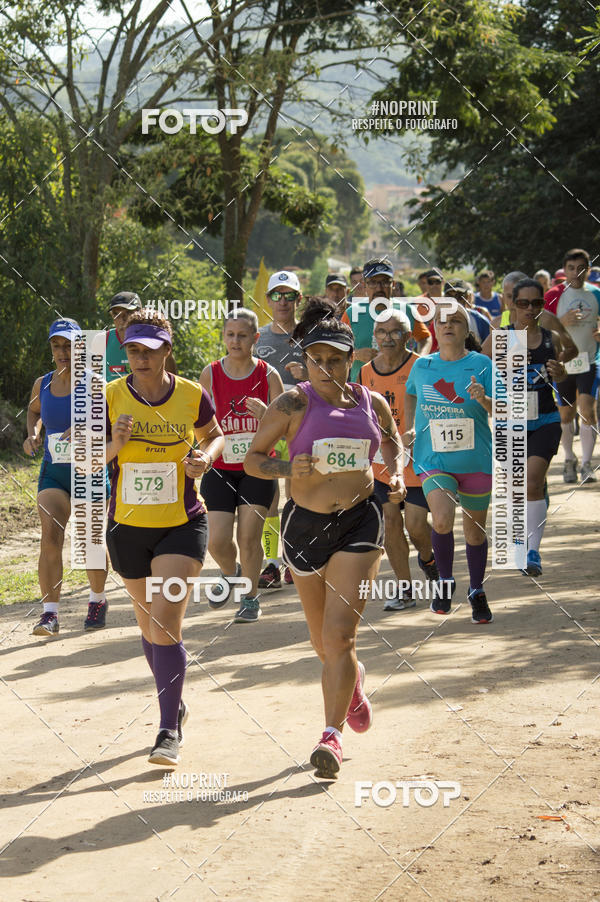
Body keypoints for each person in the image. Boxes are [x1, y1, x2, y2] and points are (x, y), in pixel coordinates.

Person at [245, 298, 406, 779]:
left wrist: (394, 473)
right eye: (317, 359)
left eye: (335, 359)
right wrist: (284, 466)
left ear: (350, 360)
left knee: (340, 635)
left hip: (360, 521)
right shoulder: (292, 402)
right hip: (304, 526)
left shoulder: (370, 402)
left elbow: (393, 442)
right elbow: (254, 459)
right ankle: (352, 679)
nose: (325, 367)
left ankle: (329, 736)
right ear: (305, 360)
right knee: (323, 644)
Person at [105, 309, 224, 766]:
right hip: (128, 529)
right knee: (147, 626)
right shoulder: (110, 396)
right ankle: (173, 700)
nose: (139, 358)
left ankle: (167, 730)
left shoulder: (192, 394)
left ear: (166, 352)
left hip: (182, 523)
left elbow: (215, 437)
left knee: (164, 621)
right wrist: (114, 443)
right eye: (133, 350)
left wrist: (205, 458)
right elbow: (83, 458)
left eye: (149, 350)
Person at [404, 303, 494, 624]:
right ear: (435, 329)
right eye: (442, 321)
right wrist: (411, 426)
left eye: (456, 321)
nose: (448, 326)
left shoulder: (482, 364)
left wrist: (483, 399)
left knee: (474, 532)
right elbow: (411, 393)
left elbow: (501, 409)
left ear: (466, 330)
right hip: (434, 458)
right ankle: (444, 581)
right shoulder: (423, 365)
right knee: (441, 520)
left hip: (475, 459)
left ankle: (476, 590)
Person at [24, 319, 109, 637]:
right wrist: (33, 433)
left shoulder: (96, 383)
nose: (63, 351)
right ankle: (49, 614)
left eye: (69, 345)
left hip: (91, 468)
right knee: (50, 535)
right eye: (57, 345)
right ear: (51, 349)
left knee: (90, 541)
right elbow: (33, 411)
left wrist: (88, 429)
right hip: (54, 471)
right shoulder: (42, 384)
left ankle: (97, 599)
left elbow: (111, 428)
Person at [199, 308, 284, 622]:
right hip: (220, 468)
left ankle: (250, 598)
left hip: (258, 468)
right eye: (230, 334)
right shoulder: (210, 374)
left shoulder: (268, 375)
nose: (235, 341)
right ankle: (230, 572)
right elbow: (200, 424)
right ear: (223, 336)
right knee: (217, 541)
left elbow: (286, 427)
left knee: (249, 537)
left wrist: (266, 416)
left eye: (242, 335)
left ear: (255, 338)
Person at [482, 279, 567, 576]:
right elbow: (479, 373)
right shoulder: (498, 339)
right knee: (515, 487)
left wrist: (562, 371)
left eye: (536, 303)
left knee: (531, 482)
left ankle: (533, 552)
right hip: (509, 422)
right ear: (512, 305)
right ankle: (519, 540)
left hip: (545, 419)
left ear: (542, 306)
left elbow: (565, 365)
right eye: (523, 303)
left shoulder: (550, 338)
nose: (530, 309)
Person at [358, 310, 437, 611]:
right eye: (382, 332)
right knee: (391, 521)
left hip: (418, 459)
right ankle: (405, 589)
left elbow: (437, 405)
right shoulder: (365, 372)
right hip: (383, 461)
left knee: (417, 525)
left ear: (407, 336)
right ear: (374, 336)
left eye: (395, 332)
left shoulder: (422, 366)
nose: (388, 338)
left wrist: (420, 432)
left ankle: (429, 559)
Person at [255, 271, 306, 588]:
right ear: (268, 299)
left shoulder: (312, 336)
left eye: (289, 295)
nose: (283, 301)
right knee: (270, 498)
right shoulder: (257, 338)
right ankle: (272, 563)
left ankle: (296, 555)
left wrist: (307, 376)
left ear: (299, 299)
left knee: (298, 494)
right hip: (269, 426)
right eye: (277, 295)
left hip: (305, 425)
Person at [544, 248, 600, 484]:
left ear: (587, 270)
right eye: (571, 268)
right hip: (563, 361)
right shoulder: (553, 294)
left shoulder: (596, 293)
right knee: (566, 414)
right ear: (564, 270)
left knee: (587, 408)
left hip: (590, 359)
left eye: (581, 268)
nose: (576, 273)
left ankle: (587, 463)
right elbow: (541, 329)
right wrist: (561, 323)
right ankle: (569, 459)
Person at [342, 257, 432, 382]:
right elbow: (337, 350)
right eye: (373, 282)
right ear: (365, 284)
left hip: (401, 386)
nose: (379, 288)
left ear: (393, 284)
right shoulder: (352, 313)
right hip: (363, 390)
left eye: (385, 282)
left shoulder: (407, 310)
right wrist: (356, 354)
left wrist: (420, 360)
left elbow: (425, 338)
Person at [105, 291, 177, 382]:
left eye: (128, 313)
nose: (122, 319)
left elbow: (171, 382)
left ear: (139, 313)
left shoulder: (154, 339)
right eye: (116, 314)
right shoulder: (103, 340)